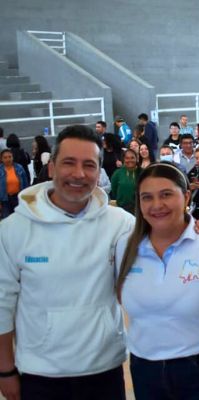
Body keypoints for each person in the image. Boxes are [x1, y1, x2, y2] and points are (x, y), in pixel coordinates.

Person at [0, 125, 133, 400]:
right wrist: (5, 370)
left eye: (89, 165)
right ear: (51, 168)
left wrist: (196, 228)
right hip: (40, 372)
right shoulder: (13, 229)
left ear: (99, 172)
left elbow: (165, 245)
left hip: (104, 368)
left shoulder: (121, 224)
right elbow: (2, 305)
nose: (79, 174)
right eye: (69, 163)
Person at [115, 163, 199, 400]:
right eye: (147, 197)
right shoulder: (124, 247)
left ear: (187, 196)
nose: (156, 205)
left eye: (166, 194)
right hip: (145, 370)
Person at [0, 149, 29, 219]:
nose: (8, 159)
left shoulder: (19, 168)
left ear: (12, 157)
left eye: (10, 157)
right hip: (4, 200)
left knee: (19, 218)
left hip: (18, 198)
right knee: (6, 219)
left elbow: (25, 183)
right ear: (1, 159)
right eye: (5, 157)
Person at [110, 149, 140, 214]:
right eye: (127, 158)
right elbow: (114, 190)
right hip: (122, 209)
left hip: (139, 208)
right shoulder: (117, 173)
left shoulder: (142, 172)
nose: (130, 160)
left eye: (132, 158)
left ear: (136, 159)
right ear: (123, 159)